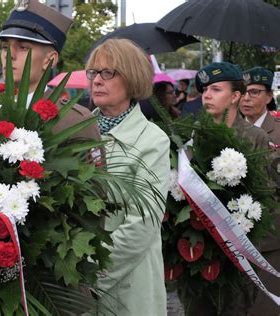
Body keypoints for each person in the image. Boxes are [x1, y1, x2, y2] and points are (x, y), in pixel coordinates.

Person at [85, 38, 170, 315]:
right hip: (75, 288)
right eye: (93, 73)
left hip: (130, 286)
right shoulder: (78, 131)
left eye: (108, 73)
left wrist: (91, 275)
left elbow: (142, 224)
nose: (97, 80)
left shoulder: (152, 140)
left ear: (132, 79)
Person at [187, 62, 273, 315]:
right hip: (199, 249)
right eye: (205, 89)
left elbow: (267, 198)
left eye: (216, 89)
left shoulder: (255, 139)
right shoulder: (193, 134)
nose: (207, 95)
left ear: (236, 96)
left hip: (240, 252)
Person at [0, 0, 100, 140]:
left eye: (23, 47)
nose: (10, 56)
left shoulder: (74, 121)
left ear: (49, 60)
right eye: (5, 47)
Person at [240, 66, 280, 315]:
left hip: (271, 233)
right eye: (243, 92)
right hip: (232, 234)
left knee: (266, 306)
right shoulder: (227, 128)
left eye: (254, 92)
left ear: (268, 95)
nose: (247, 98)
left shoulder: (277, 129)